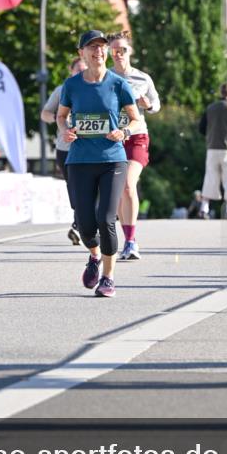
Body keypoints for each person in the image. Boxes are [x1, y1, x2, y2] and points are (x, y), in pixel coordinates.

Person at [56, 30, 139, 299]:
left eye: (102, 47)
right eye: (92, 47)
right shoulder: (72, 85)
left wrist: (124, 132)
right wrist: (65, 130)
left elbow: (135, 119)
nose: (98, 51)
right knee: (85, 224)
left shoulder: (118, 84)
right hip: (80, 160)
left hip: (112, 160)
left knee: (106, 219)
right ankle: (94, 256)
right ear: (82, 53)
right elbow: (61, 116)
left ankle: (108, 277)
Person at [107, 31, 160, 260]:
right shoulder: (104, 78)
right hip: (112, 138)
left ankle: (130, 242)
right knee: (119, 191)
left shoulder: (142, 78)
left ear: (130, 52)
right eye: (115, 51)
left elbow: (156, 105)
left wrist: (147, 105)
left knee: (128, 184)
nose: (119, 54)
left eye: (123, 50)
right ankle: (129, 238)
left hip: (137, 136)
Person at [40, 55, 86, 246]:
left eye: (85, 69)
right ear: (71, 72)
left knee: (91, 188)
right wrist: (60, 119)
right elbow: (45, 113)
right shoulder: (63, 90)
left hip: (91, 147)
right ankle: (79, 223)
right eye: (79, 70)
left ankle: (81, 224)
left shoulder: (99, 88)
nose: (82, 73)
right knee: (74, 189)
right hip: (66, 148)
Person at [199, 82, 227, 219]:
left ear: (221, 92)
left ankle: (204, 208)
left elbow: (201, 128)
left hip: (212, 148)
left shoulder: (210, 108)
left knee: (210, 178)